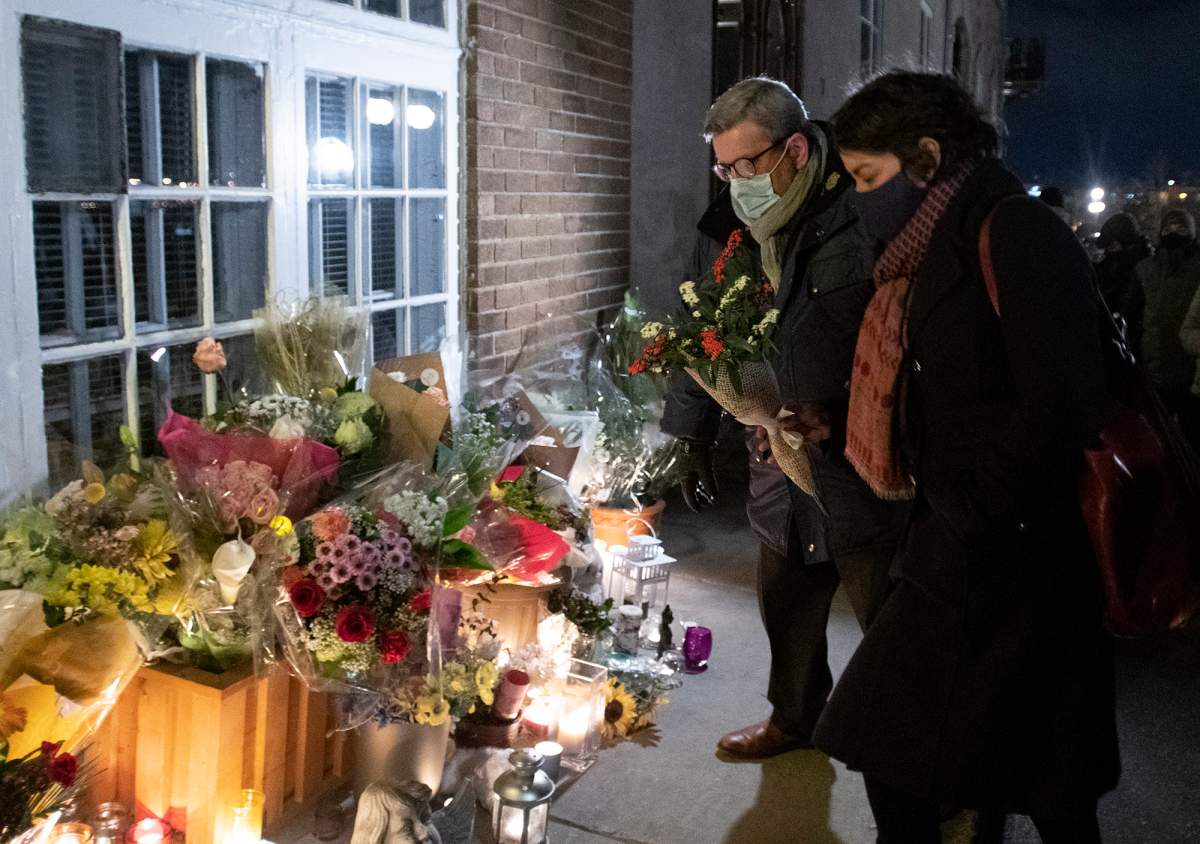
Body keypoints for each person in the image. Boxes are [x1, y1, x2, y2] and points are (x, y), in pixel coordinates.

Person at [812, 71, 1120, 843]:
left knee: (934, 753)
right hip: (970, 546)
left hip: (1014, 553)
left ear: (926, 154)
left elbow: (1062, 398)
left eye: (869, 177)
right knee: (1016, 770)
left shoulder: (1014, 230)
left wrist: (978, 505)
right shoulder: (935, 242)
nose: (859, 198)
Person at [661, 77, 907, 759]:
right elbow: (698, 330)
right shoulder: (727, 224)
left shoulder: (863, 210)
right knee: (787, 597)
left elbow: (906, 334)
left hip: (859, 459)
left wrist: (861, 415)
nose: (737, 181)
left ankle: (918, 759)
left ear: (795, 148)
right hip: (776, 454)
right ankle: (794, 719)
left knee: (889, 617)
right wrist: (692, 434)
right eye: (723, 167)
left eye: (748, 164)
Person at [1134, 208, 1200, 445]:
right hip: (1155, 369)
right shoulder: (1145, 268)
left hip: (1191, 374)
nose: (1174, 233)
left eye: (1181, 229)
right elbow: (1134, 314)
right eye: (1168, 229)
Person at [1095, 210, 1152, 346]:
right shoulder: (1108, 266)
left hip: (1133, 337)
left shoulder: (1142, 268)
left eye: (1113, 244)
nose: (1110, 249)